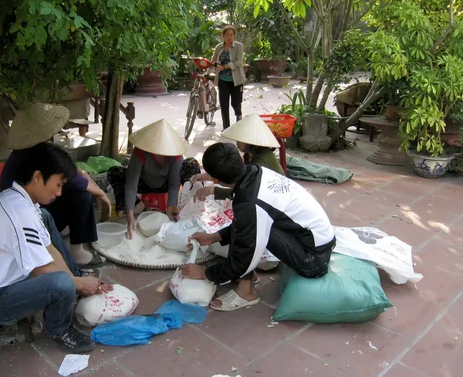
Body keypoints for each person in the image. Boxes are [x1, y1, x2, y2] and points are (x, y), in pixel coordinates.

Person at [0, 142, 114, 352]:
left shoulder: (21, 200)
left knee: (45, 218)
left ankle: (75, 281)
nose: (60, 193)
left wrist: (76, 281)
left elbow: (49, 248)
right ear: (37, 177)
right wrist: (76, 284)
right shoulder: (19, 214)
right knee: (60, 283)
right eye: (58, 184)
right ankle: (58, 328)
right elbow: (42, 269)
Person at [182, 143, 335, 311]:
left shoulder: (249, 202)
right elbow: (247, 219)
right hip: (317, 239)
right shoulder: (255, 172)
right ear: (240, 159)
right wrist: (215, 236)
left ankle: (246, 293)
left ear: (216, 180)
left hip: (314, 260)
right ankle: (248, 277)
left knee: (246, 234)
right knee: (245, 226)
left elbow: (244, 254)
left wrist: (205, 272)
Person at [0, 103, 110, 266]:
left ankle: (64, 230)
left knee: (72, 190)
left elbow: (75, 171)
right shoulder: (37, 156)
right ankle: (76, 253)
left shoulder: (26, 151)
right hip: (25, 222)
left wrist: (95, 187)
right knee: (81, 195)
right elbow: (75, 179)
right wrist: (100, 193)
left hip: (26, 212)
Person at [107, 119, 200, 239]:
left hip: (165, 184)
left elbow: (174, 185)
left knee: (191, 164)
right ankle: (136, 206)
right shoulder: (140, 152)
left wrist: (168, 213)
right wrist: (130, 219)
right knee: (115, 172)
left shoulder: (175, 155)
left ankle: (186, 212)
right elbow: (131, 185)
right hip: (144, 182)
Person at [192, 113, 284, 202]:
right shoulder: (249, 155)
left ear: (250, 141)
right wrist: (209, 176)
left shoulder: (260, 162)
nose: (237, 142)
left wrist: (211, 190)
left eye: (240, 139)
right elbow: (236, 175)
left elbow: (244, 192)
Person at [211, 25, 247, 130]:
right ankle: (226, 126)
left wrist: (225, 67)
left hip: (236, 80)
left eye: (231, 35)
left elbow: (238, 61)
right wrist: (213, 67)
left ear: (234, 36)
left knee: (236, 103)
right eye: (227, 35)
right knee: (224, 104)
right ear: (223, 36)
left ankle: (239, 119)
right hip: (222, 80)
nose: (229, 37)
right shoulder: (219, 47)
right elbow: (213, 61)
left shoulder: (239, 46)